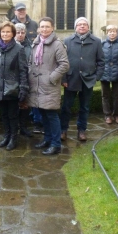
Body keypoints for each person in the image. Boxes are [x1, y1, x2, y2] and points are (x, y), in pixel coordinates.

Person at [28, 17, 69, 155]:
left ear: (52, 28)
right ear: (39, 28)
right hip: (37, 86)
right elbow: (30, 62)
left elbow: (64, 64)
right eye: (42, 27)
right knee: (43, 114)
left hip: (49, 86)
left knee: (51, 115)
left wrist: (52, 77)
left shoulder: (57, 44)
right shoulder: (35, 43)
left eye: (47, 26)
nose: (44, 29)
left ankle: (56, 144)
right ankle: (47, 139)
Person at [60, 17, 104, 141]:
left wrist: (97, 77)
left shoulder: (96, 41)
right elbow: (62, 61)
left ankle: (82, 130)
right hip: (71, 79)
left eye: (85, 24)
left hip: (88, 79)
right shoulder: (68, 41)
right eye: (79, 25)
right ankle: (63, 130)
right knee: (66, 107)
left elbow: (101, 61)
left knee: (84, 107)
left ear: (88, 27)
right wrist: (63, 78)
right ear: (75, 27)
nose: (82, 26)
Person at [0, 22, 28, 150]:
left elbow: (23, 70)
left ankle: (13, 138)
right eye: (3, 32)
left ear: (13, 34)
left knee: (12, 115)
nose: (5, 34)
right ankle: (6, 135)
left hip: (13, 89)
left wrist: (23, 88)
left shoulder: (19, 49)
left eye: (8, 32)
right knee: (3, 114)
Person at [100, 25, 118, 124]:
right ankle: (107, 115)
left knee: (117, 95)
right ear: (107, 33)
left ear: (117, 33)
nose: (112, 33)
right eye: (110, 31)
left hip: (117, 74)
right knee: (105, 95)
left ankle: (117, 114)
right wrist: (100, 72)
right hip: (104, 73)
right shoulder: (102, 44)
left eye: (114, 31)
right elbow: (99, 59)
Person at [14, 23, 33, 137]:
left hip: (26, 79)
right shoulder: (10, 45)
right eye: (18, 32)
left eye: (22, 32)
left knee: (25, 104)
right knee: (14, 105)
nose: (20, 35)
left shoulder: (30, 46)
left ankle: (23, 127)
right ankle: (14, 127)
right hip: (13, 80)